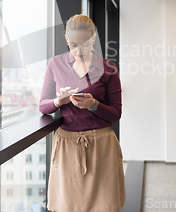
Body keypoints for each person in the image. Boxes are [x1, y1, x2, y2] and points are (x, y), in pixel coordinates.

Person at [39, 14, 125, 212]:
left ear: (94, 38)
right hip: (67, 145)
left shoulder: (108, 68)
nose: (79, 51)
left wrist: (94, 104)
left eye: (85, 44)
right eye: (74, 44)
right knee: (67, 205)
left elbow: (116, 114)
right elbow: (43, 106)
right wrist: (59, 101)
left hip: (101, 144)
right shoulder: (55, 64)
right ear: (66, 39)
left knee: (105, 205)